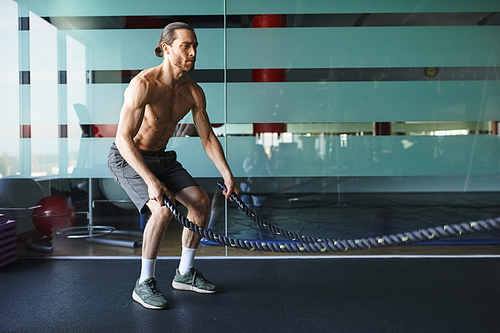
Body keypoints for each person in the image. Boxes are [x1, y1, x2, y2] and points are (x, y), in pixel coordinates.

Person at [108, 22, 238, 310]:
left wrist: (227, 174)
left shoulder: (193, 91)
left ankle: (184, 273)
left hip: (162, 157)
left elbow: (207, 137)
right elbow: (122, 137)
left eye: (195, 46)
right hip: (129, 155)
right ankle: (144, 283)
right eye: (185, 46)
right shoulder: (144, 84)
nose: (192, 52)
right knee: (162, 210)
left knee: (201, 203)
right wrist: (151, 181)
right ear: (166, 49)